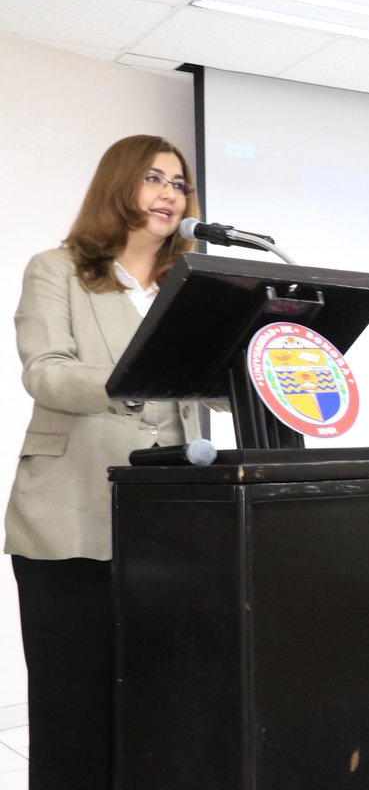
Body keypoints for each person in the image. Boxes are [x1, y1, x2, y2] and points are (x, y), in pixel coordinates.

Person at [5, 135, 204, 789]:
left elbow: (209, 387)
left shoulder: (193, 284)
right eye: (154, 177)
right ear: (117, 184)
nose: (170, 194)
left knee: (160, 706)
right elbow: (47, 374)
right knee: (74, 712)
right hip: (71, 518)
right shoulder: (56, 268)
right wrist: (138, 378)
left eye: (179, 183)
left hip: (173, 528)